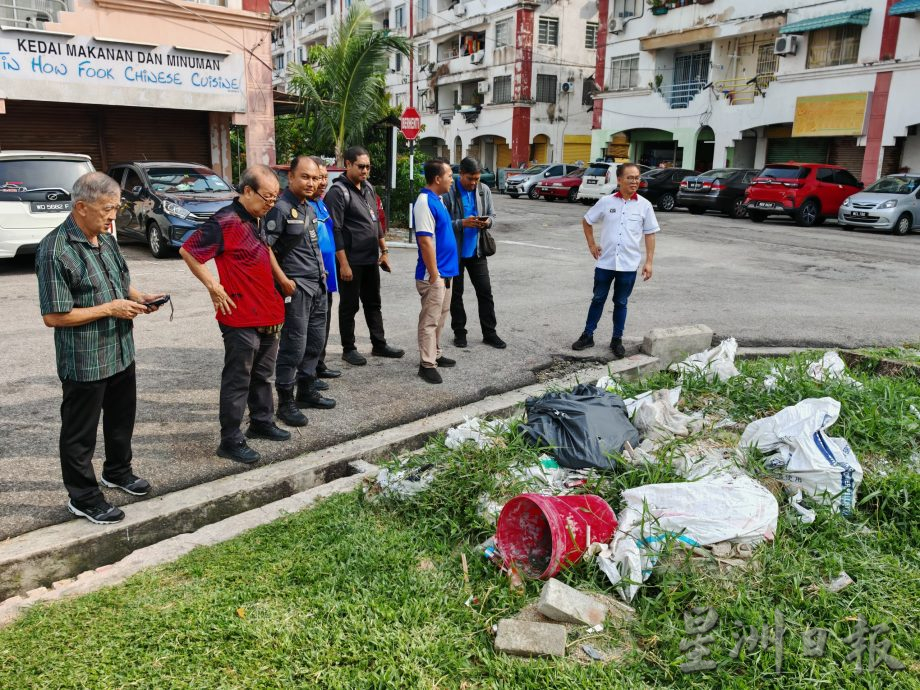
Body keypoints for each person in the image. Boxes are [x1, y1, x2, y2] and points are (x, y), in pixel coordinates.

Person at [36, 171, 165, 524]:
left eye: (115, 207)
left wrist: (140, 297)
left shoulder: (105, 238)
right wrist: (110, 309)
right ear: (80, 207)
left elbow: (118, 284)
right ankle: (83, 497)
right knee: (79, 434)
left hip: (120, 349)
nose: (113, 216)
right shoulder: (55, 250)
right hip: (85, 359)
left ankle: (118, 472)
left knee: (121, 419)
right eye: (107, 209)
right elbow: (54, 316)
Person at [179, 165, 291, 465]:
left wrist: (280, 279)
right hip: (239, 314)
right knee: (238, 378)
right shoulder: (224, 221)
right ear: (247, 191)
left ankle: (262, 422)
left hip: (266, 310)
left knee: (264, 374)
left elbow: (265, 249)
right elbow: (189, 251)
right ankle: (230, 440)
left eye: (275, 197)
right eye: (267, 197)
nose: (271, 203)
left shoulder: (257, 218)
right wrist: (213, 287)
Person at [265, 156, 336, 429]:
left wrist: (321, 270)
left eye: (315, 178)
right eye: (305, 177)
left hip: (317, 285)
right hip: (296, 289)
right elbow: (266, 248)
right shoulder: (280, 208)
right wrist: (282, 280)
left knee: (314, 342)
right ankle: (286, 402)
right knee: (293, 345)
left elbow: (312, 242)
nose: (312, 182)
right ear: (291, 178)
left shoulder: (308, 207)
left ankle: (306, 391)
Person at [324, 146, 403, 366]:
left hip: (370, 259)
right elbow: (335, 230)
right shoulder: (338, 193)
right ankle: (348, 349)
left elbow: (376, 222)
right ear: (348, 165)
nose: (365, 170)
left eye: (368, 166)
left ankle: (379, 344)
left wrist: (384, 251)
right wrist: (343, 264)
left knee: (373, 303)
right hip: (351, 261)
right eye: (361, 166)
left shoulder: (368, 187)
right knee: (349, 306)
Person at [572, 162, 658, 359]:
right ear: (619, 180)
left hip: (628, 264)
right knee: (598, 299)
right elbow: (587, 221)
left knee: (621, 302)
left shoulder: (644, 205)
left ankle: (616, 339)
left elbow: (650, 234)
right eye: (630, 177)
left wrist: (649, 262)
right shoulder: (606, 202)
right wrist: (592, 245)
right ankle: (588, 335)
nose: (634, 181)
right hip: (605, 263)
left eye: (637, 178)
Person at [440, 157, 505, 349]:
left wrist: (487, 223)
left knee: (485, 292)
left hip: (477, 251)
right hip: (455, 253)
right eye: (470, 178)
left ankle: (490, 333)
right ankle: (460, 333)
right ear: (461, 174)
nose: (474, 183)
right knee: (456, 295)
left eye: (477, 178)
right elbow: (441, 224)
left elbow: (493, 216)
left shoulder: (483, 190)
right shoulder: (449, 192)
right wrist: (462, 223)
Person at [413, 159, 460, 384]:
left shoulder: (438, 199)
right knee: (430, 319)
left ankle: (436, 354)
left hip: (446, 272)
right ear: (437, 178)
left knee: (441, 318)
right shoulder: (424, 201)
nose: (453, 179)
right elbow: (425, 241)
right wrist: (434, 275)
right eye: (450, 175)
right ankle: (426, 364)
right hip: (435, 274)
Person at [308, 156, 341, 382]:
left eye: (324, 177)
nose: (322, 182)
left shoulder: (320, 202)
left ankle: (319, 363)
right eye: (318, 177)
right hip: (312, 277)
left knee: (323, 323)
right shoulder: (304, 206)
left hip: (327, 276)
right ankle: (308, 371)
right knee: (310, 328)